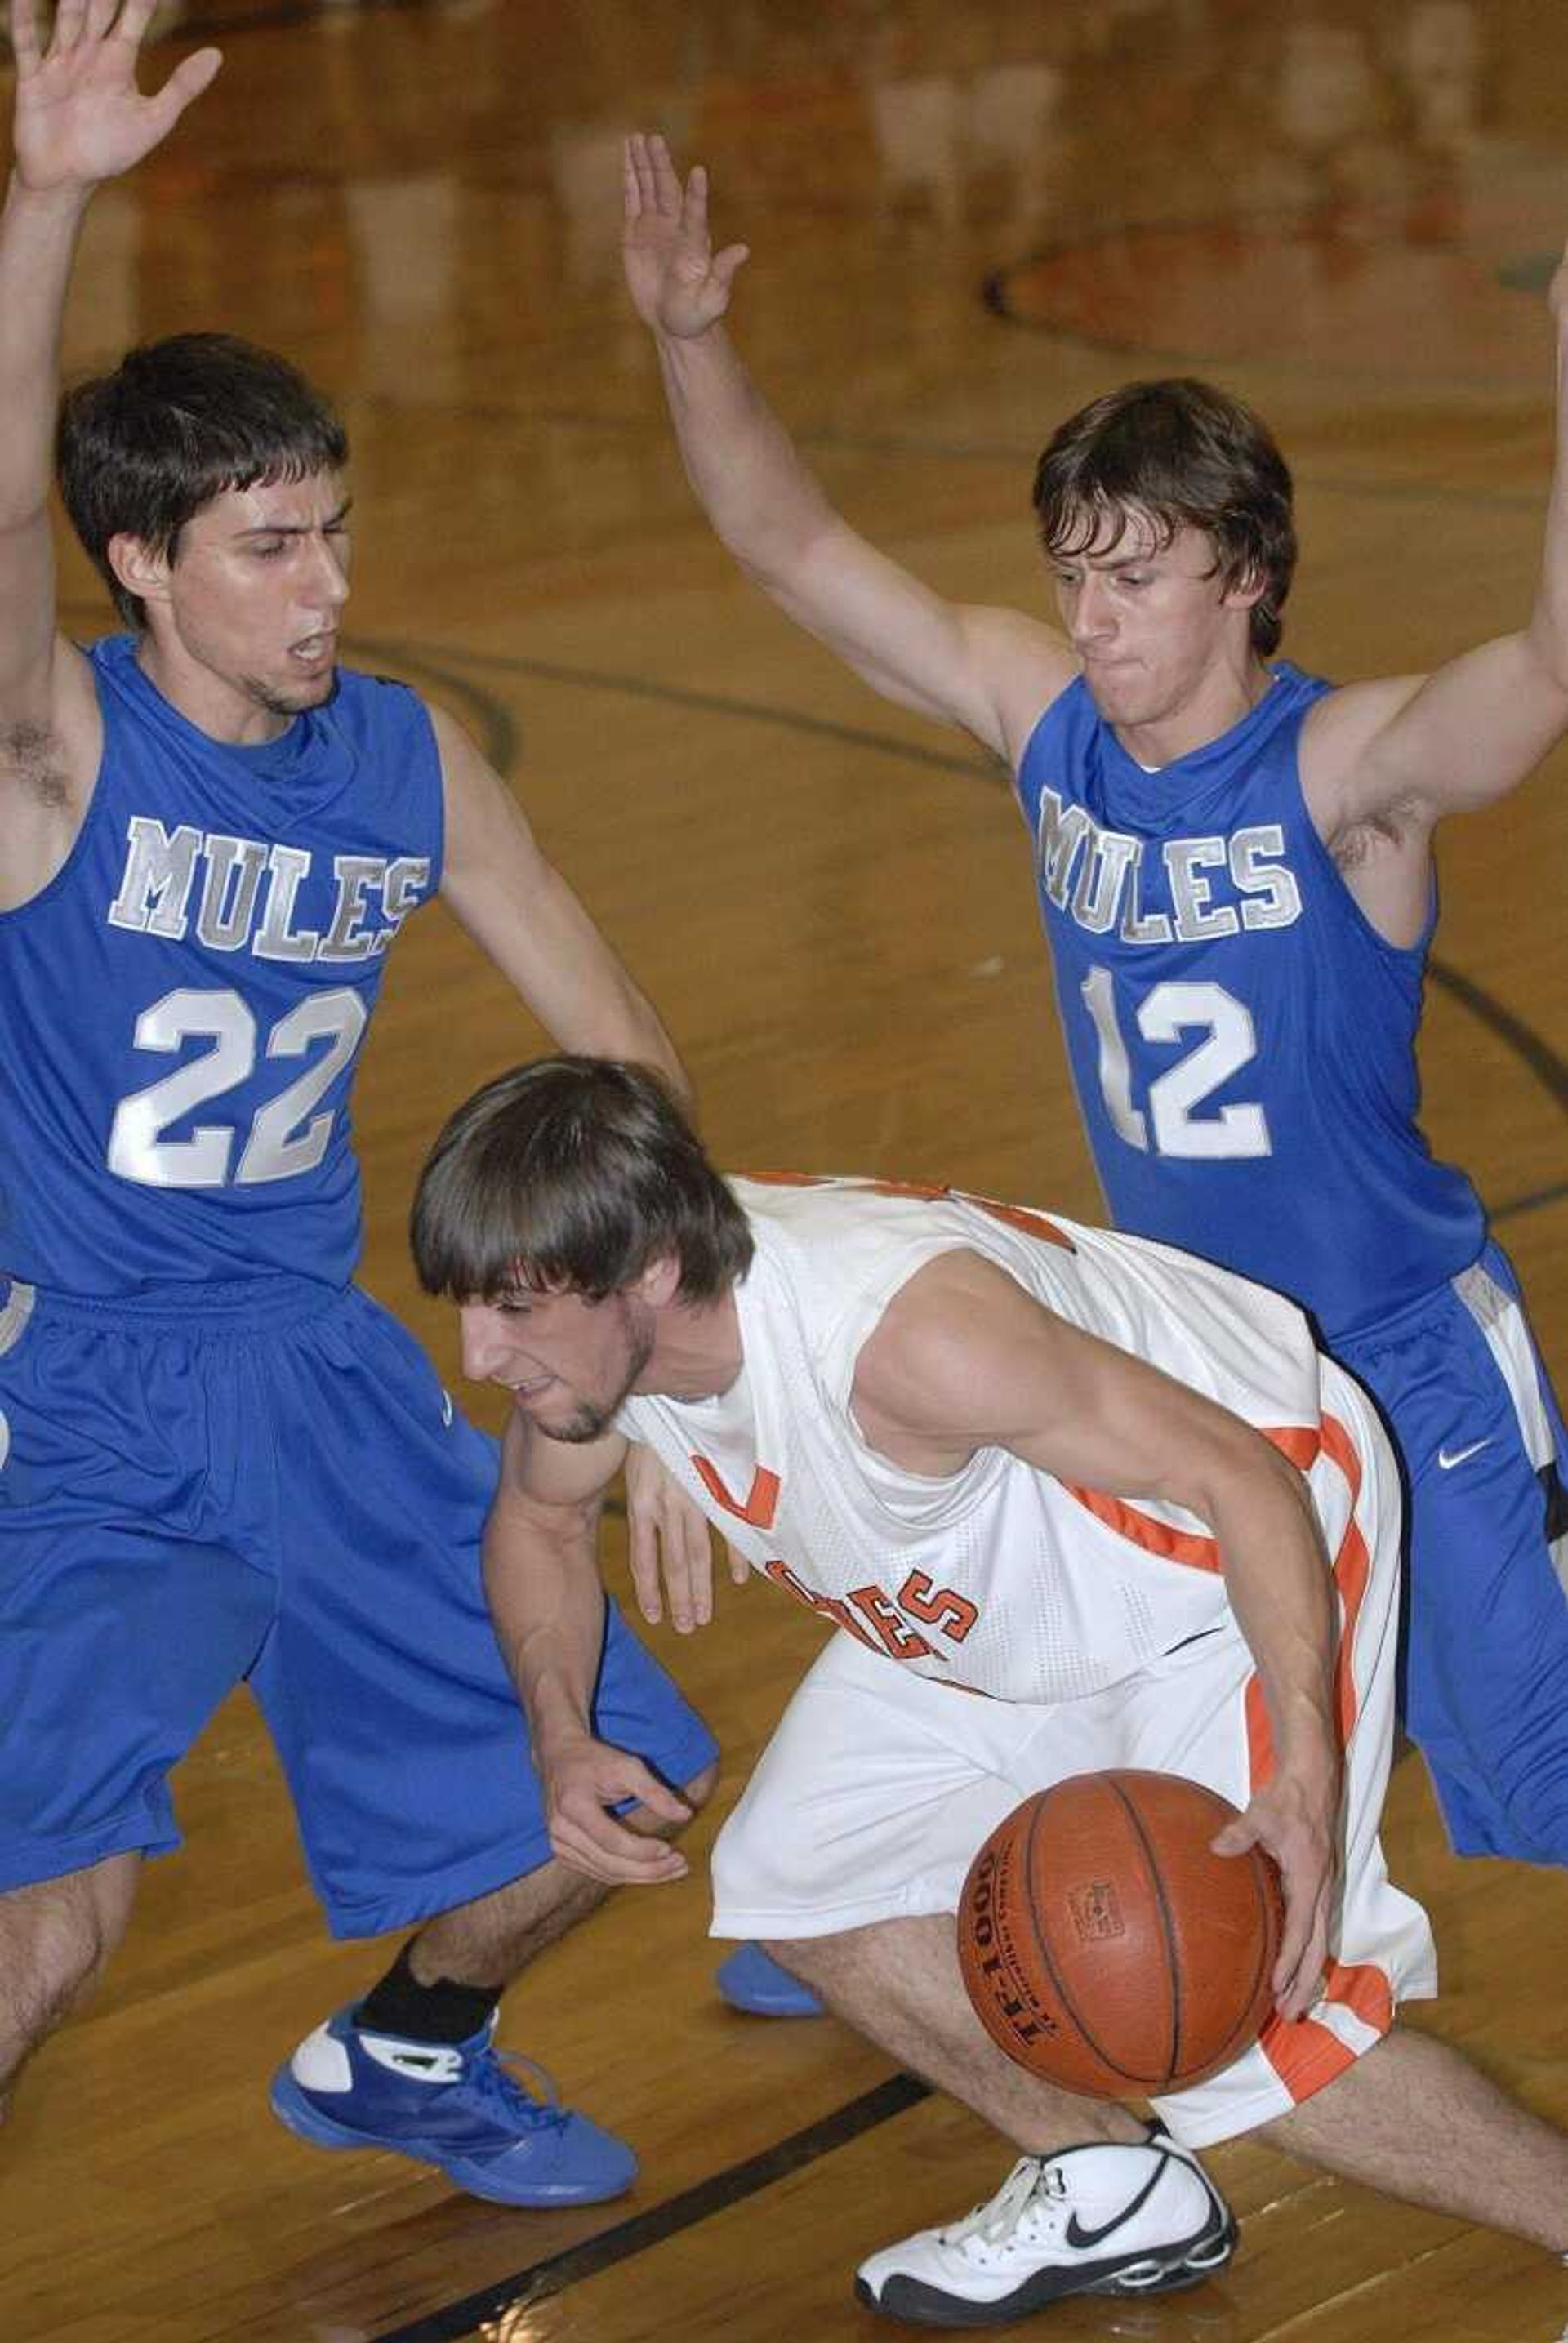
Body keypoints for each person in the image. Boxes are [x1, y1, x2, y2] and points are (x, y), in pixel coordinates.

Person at [0, 1, 764, 2212]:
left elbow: (629, 1057)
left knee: (618, 1775)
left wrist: (662, 1364)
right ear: (139, 561)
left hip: (324, 1366)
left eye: (334, 532)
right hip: (90, 1400)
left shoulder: (407, 759)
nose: (330, 587)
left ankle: (410, 2040)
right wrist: (48, 197)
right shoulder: (54, 756)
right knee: (51, 1917)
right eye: (269, 546)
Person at [617, 132, 1568, 1873]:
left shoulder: (1345, 772)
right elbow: (791, 543)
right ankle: (890, 1868)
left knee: (1536, 1774)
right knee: (1083, 1632)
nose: (1089, 616)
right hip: (1179, 1340)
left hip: (1399, 1340)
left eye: (1133, 578)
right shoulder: (1044, 722)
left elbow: (1548, 669)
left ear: (1247, 575)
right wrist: (691, 335)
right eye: (1073, 574)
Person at [408, 1053, 1568, 2324]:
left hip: (1211, 1554)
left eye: (513, 1308)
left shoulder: (906, 1340)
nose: (479, 1353)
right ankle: (1110, 2177)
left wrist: (1306, 1762)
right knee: (803, 1871)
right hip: (1006, 1575)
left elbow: (1242, 1479)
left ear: (654, 1276)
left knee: (1254, 2034)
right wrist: (561, 1736)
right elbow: (536, 1524)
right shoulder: (612, 1353)